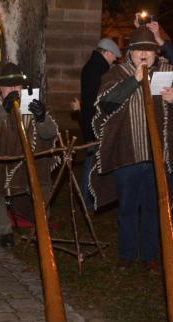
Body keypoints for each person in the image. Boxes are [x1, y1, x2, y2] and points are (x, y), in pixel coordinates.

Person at [90, 26, 173, 272]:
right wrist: (134, 81)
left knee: (153, 208)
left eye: (149, 50)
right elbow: (105, 104)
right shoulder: (117, 74)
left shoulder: (171, 73)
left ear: (157, 53)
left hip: (158, 157)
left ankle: (150, 255)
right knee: (128, 207)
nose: (143, 54)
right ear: (130, 53)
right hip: (126, 154)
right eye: (138, 49)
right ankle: (127, 255)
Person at [0, 63, 58, 247]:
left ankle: (41, 228)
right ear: (1, 88)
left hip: (28, 159)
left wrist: (41, 118)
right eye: (9, 87)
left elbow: (49, 135)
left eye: (18, 86)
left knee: (40, 182)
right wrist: (3, 110)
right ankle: (4, 230)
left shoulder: (32, 102)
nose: (14, 90)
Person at [70, 38, 120, 206]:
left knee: (92, 159)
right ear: (106, 53)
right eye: (114, 56)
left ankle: (89, 197)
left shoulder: (92, 67)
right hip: (97, 122)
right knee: (92, 162)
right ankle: (87, 198)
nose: (115, 59)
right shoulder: (101, 70)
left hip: (91, 120)